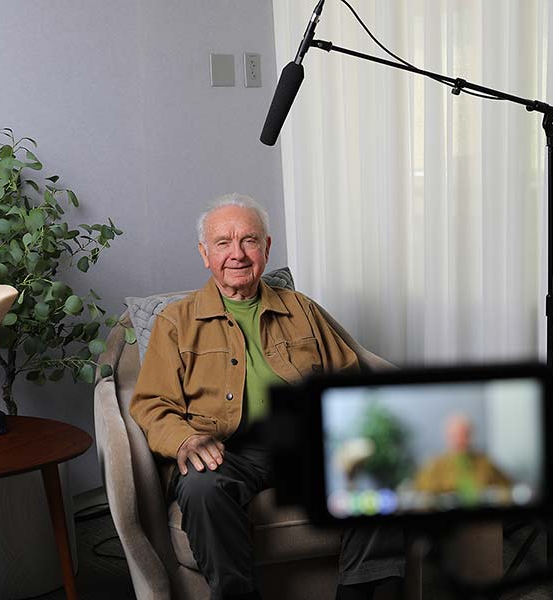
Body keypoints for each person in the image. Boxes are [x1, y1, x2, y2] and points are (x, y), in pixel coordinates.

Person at [130, 194, 404, 600]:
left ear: (266, 248)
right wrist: (185, 440)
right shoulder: (176, 322)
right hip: (224, 450)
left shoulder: (301, 309)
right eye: (223, 243)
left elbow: (347, 375)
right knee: (201, 489)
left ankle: (359, 592)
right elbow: (151, 404)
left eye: (249, 241)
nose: (237, 254)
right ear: (205, 254)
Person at [414, 414, 511, 502]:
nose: (460, 440)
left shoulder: (485, 462)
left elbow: (507, 488)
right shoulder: (434, 465)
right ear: (447, 437)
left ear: (471, 436)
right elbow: (420, 494)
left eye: (465, 435)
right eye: (455, 436)